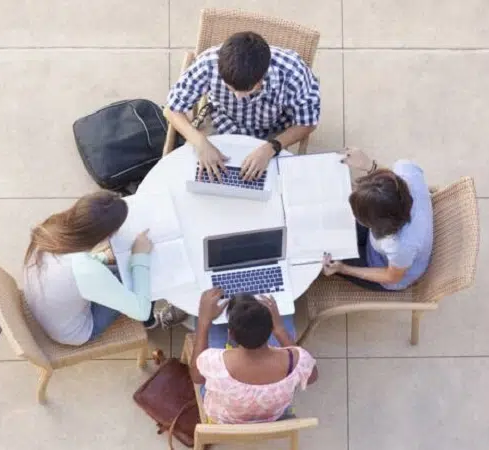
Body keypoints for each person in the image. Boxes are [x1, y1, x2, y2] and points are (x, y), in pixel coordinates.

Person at [22, 192, 183, 346]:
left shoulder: (52, 227)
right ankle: (149, 321)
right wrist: (139, 256)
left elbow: (71, 271)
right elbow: (140, 310)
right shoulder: (84, 269)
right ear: (105, 236)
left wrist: (103, 258)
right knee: (143, 274)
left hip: (48, 304)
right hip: (72, 331)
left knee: (124, 269)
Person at [166, 31, 320, 181]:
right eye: (230, 89)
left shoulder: (293, 72)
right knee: (191, 174)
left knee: (276, 186)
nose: (237, 97)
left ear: (261, 78)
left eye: (246, 91)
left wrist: (271, 148)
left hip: (272, 131)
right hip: (221, 121)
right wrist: (201, 143)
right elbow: (171, 109)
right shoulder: (208, 64)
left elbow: (308, 123)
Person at [189, 289, 318, 424]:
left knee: (212, 331)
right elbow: (312, 377)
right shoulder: (296, 360)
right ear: (271, 331)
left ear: (230, 335)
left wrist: (203, 323)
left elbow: (197, 378)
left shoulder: (214, 361)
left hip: (225, 419)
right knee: (288, 320)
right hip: (273, 415)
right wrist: (280, 330)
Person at [322, 148, 434, 291]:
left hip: (382, 267)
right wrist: (370, 166)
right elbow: (390, 180)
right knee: (330, 222)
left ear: (377, 225)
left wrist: (343, 268)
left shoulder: (401, 246)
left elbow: (391, 277)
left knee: (322, 253)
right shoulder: (406, 170)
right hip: (383, 243)